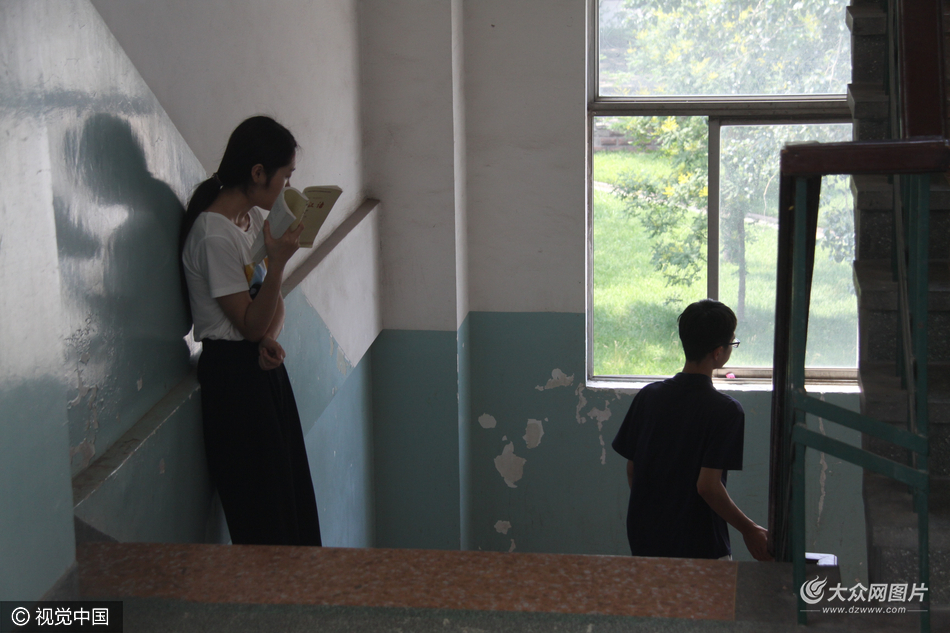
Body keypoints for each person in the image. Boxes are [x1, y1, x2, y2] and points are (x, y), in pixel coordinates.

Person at [180, 116, 321, 546]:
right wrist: (276, 265)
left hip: (258, 369)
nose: (288, 187)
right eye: (285, 177)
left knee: (290, 499)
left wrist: (268, 338)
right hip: (234, 382)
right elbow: (251, 321)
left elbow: (270, 311)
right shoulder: (214, 236)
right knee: (264, 516)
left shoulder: (248, 223)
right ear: (258, 173)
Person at [611, 299, 771, 561]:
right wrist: (749, 529)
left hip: (646, 542)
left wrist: (656, 518)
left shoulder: (648, 397)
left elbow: (633, 469)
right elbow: (708, 486)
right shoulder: (726, 411)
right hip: (701, 547)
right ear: (718, 353)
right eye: (732, 343)